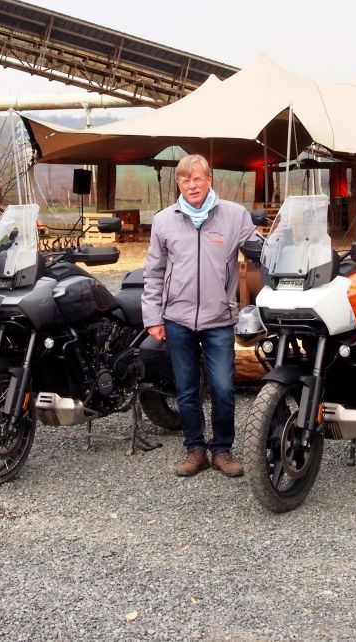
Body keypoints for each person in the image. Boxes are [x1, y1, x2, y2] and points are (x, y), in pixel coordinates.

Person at [142, 154, 259, 478]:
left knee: (222, 387)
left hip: (218, 318)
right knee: (187, 389)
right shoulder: (164, 220)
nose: (192, 185)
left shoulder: (234, 216)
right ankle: (195, 450)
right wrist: (153, 317)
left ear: (210, 180)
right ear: (179, 183)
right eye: (185, 180)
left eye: (198, 179)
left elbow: (261, 250)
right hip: (177, 319)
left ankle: (221, 449)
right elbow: (153, 273)